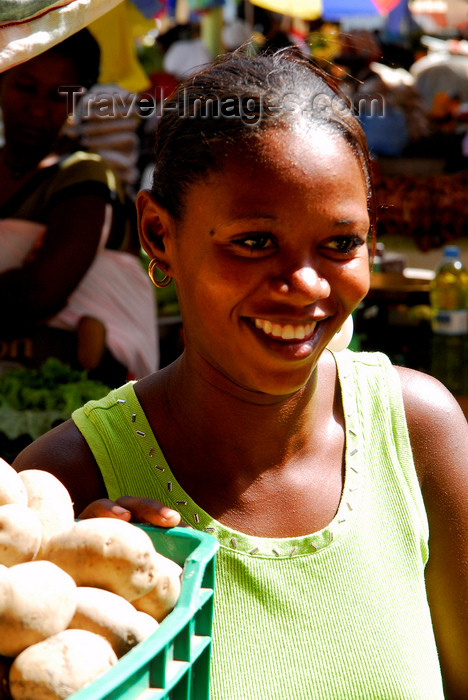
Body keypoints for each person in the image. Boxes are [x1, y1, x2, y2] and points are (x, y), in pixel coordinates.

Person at [13, 49, 468, 699]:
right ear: (158, 234)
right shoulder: (70, 486)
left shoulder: (420, 434)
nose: (305, 286)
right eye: (255, 242)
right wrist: (76, 612)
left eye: (340, 244)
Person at [0, 29, 158, 384]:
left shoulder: (84, 175)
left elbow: (38, 295)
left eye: (58, 96)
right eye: (25, 87)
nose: (37, 108)